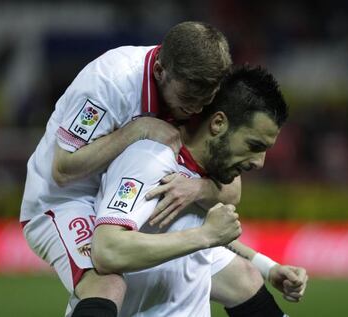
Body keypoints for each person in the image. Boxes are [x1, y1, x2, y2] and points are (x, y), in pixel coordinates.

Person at [20, 21, 241, 317]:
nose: (197, 111)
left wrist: (198, 188)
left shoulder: (200, 90)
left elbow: (232, 188)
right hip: (64, 201)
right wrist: (137, 129)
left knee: (243, 278)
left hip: (130, 203)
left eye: (206, 101)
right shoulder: (108, 83)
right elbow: (63, 169)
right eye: (188, 101)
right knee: (106, 283)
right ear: (160, 71)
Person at [90, 65, 308, 317]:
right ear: (218, 123)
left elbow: (201, 239)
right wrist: (205, 235)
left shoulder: (204, 174)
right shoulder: (150, 160)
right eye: (253, 145)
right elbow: (107, 250)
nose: (259, 163)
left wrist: (267, 267)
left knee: (244, 277)